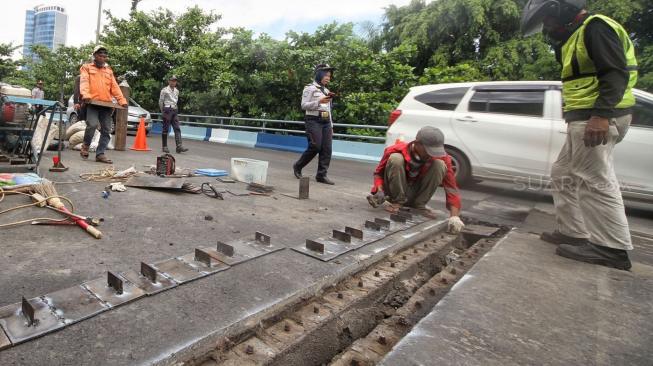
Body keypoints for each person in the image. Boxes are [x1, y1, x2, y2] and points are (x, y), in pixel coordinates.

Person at [521, 0, 638, 270]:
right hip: (584, 116)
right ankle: (573, 231)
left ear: (562, 9)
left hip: (597, 116)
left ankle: (612, 247)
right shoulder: (576, 35)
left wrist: (601, 115)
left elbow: (615, 73)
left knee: (594, 178)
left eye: (547, 19)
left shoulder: (595, 28)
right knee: (562, 172)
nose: (546, 26)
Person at [366, 126, 465, 233]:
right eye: (428, 150)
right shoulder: (394, 150)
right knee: (396, 158)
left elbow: (451, 188)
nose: (431, 154)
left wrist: (454, 217)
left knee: (440, 164)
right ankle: (397, 202)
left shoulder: (442, 157)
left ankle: (419, 205)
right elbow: (378, 174)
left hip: (417, 193)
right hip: (395, 193)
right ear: (417, 143)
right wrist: (380, 191)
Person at [79, 45, 128, 164]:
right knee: (92, 124)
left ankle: (100, 154)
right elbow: (84, 81)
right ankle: (85, 145)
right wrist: (85, 94)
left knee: (106, 129)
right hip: (92, 102)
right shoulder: (86, 68)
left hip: (106, 104)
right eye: (100, 55)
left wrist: (122, 100)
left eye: (105, 56)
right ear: (95, 55)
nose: (103, 58)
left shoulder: (109, 71)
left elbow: (115, 87)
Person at [293, 64, 336, 185]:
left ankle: (321, 175)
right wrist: (319, 101)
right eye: (326, 75)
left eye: (329, 76)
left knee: (327, 148)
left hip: (326, 121)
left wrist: (331, 126)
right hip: (313, 120)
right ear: (319, 74)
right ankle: (298, 166)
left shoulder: (327, 91)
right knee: (315, 146)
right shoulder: (309, 88)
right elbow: (303, 105)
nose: (328, 78)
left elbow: (328, 110)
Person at [158, 75, 188, 153]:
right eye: (172, 80)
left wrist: (175, 109)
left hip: (174, 109)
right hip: (167, 109)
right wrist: (163, 111)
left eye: (175, 81)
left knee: (177, 128)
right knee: (166, 129)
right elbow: (161, 101)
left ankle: (179, 146)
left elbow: (176, 101)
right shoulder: (164, 90)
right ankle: (164, 146)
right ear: (169, 81)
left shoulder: (176, 91)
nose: (173, 82)